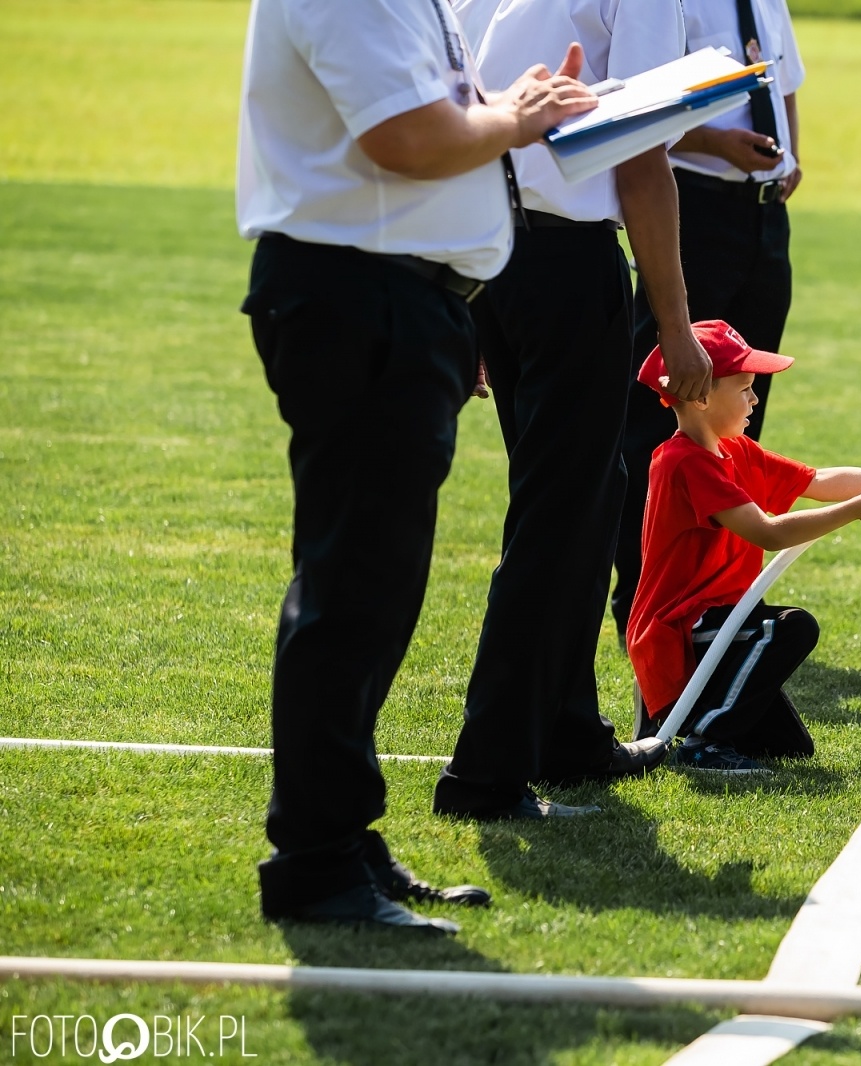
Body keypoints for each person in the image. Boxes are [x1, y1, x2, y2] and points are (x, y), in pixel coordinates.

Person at [237, 0, 598, 930]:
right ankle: (316, 864)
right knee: (353, 591)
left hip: (397, 300)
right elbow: (407, 139)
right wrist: (517, 118)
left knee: (371, 591)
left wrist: (506, 103)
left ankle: (341, 844)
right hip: (360, 297)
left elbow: (435, 122)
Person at [431, 0, 716, 820]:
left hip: (497, 258)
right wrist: (674, 324)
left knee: (582, 500)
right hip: (565, 266)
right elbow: (642, 155)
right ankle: (485, 772)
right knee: (559, 524)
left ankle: (565, 730)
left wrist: (464, 282)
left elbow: (469, 127)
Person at [627, 321, 861, 774]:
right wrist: (858, 509)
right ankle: (701, 742)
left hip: (719, 625)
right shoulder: (685, 461)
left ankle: (686, 720)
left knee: (788, 749)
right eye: (745, 388)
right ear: (701, 398)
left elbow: (819, 480)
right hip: (682, 630)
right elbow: (769, 532)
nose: (754, 399)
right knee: (790, 627)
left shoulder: (737, 450)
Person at [611, 0, 808, 635]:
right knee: (665, 416)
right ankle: (646, 592)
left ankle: (721, 592)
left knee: (740, 411)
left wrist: (790, 156)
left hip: (761, 214)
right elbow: (639, 112)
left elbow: (785, 84)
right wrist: (718, 142)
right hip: (690, 208)